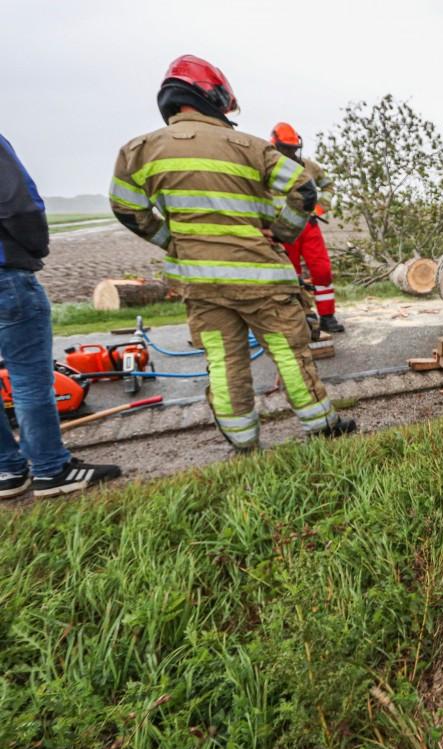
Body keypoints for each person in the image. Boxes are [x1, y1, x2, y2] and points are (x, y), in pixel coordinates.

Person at [110, 55, 355, 453]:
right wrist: (282, 230)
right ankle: (322, 427)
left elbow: (126, 208)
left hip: (200, 283)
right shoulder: (250, 147)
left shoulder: (140, 150)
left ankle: (243, 442)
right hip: (259, 277)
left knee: (224, 362)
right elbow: (304, 190)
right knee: (288, 353)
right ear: (215, 96)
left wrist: (171, 241)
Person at [0, 133, 120, 498]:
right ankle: (52, 470)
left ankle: (7, 471)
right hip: (6, 275)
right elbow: (19, 206)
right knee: (29, 378)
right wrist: (35, 247)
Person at [269, 122, 343, 333]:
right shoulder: (266, 168)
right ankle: (301, 317)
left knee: (322, 270)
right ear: (275, 146)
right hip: (282, 228)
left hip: (308, 226)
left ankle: (327, 316)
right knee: (290, 275)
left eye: (293, 148)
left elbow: (328, 185)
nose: (290, 152)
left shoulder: (308, 166)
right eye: (286, 148)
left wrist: (320, 208)